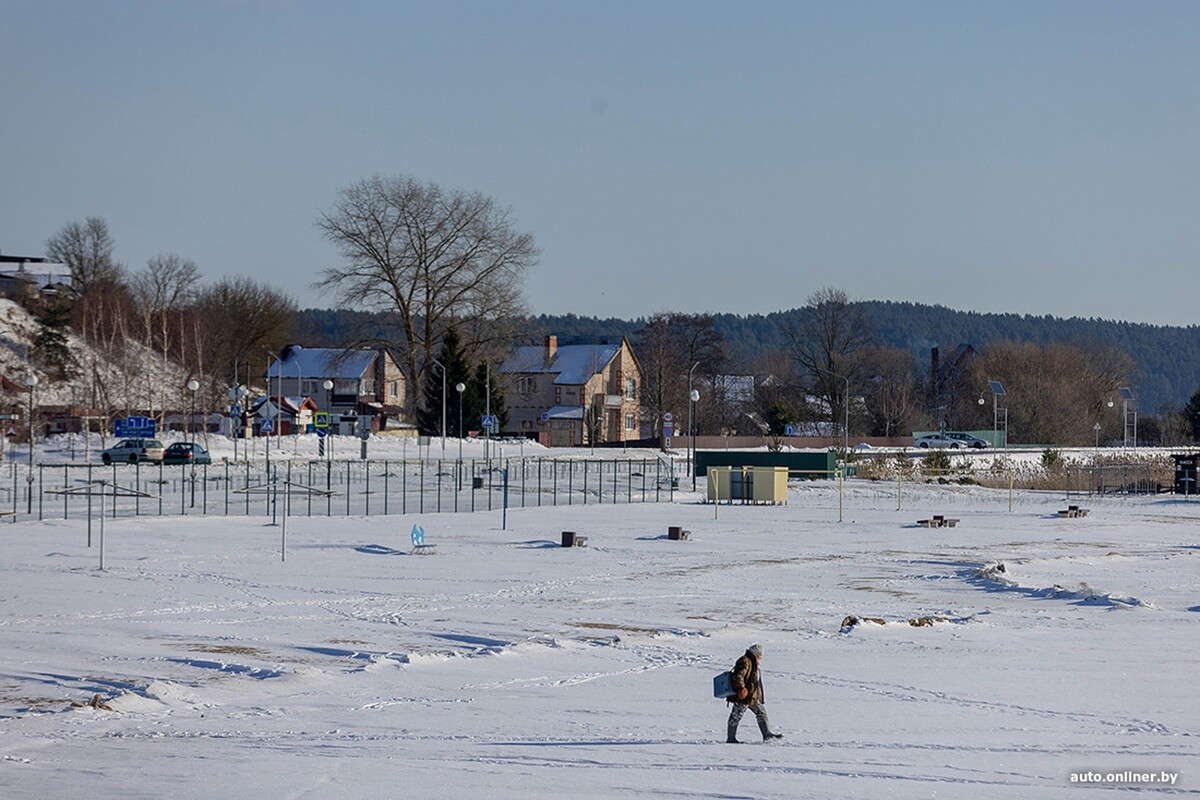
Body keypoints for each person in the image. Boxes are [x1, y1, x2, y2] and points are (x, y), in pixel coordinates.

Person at [727, 643, 783, 743]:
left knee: (761, 712)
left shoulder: (751, 661)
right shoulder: (745, 661)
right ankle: (731, 738)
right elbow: (738, 676)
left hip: (751, 696)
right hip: (743, 695)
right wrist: (741, 688)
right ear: (756, 654)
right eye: (760, 655)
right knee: (736, 715)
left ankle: (767, 735)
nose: (761, 658)